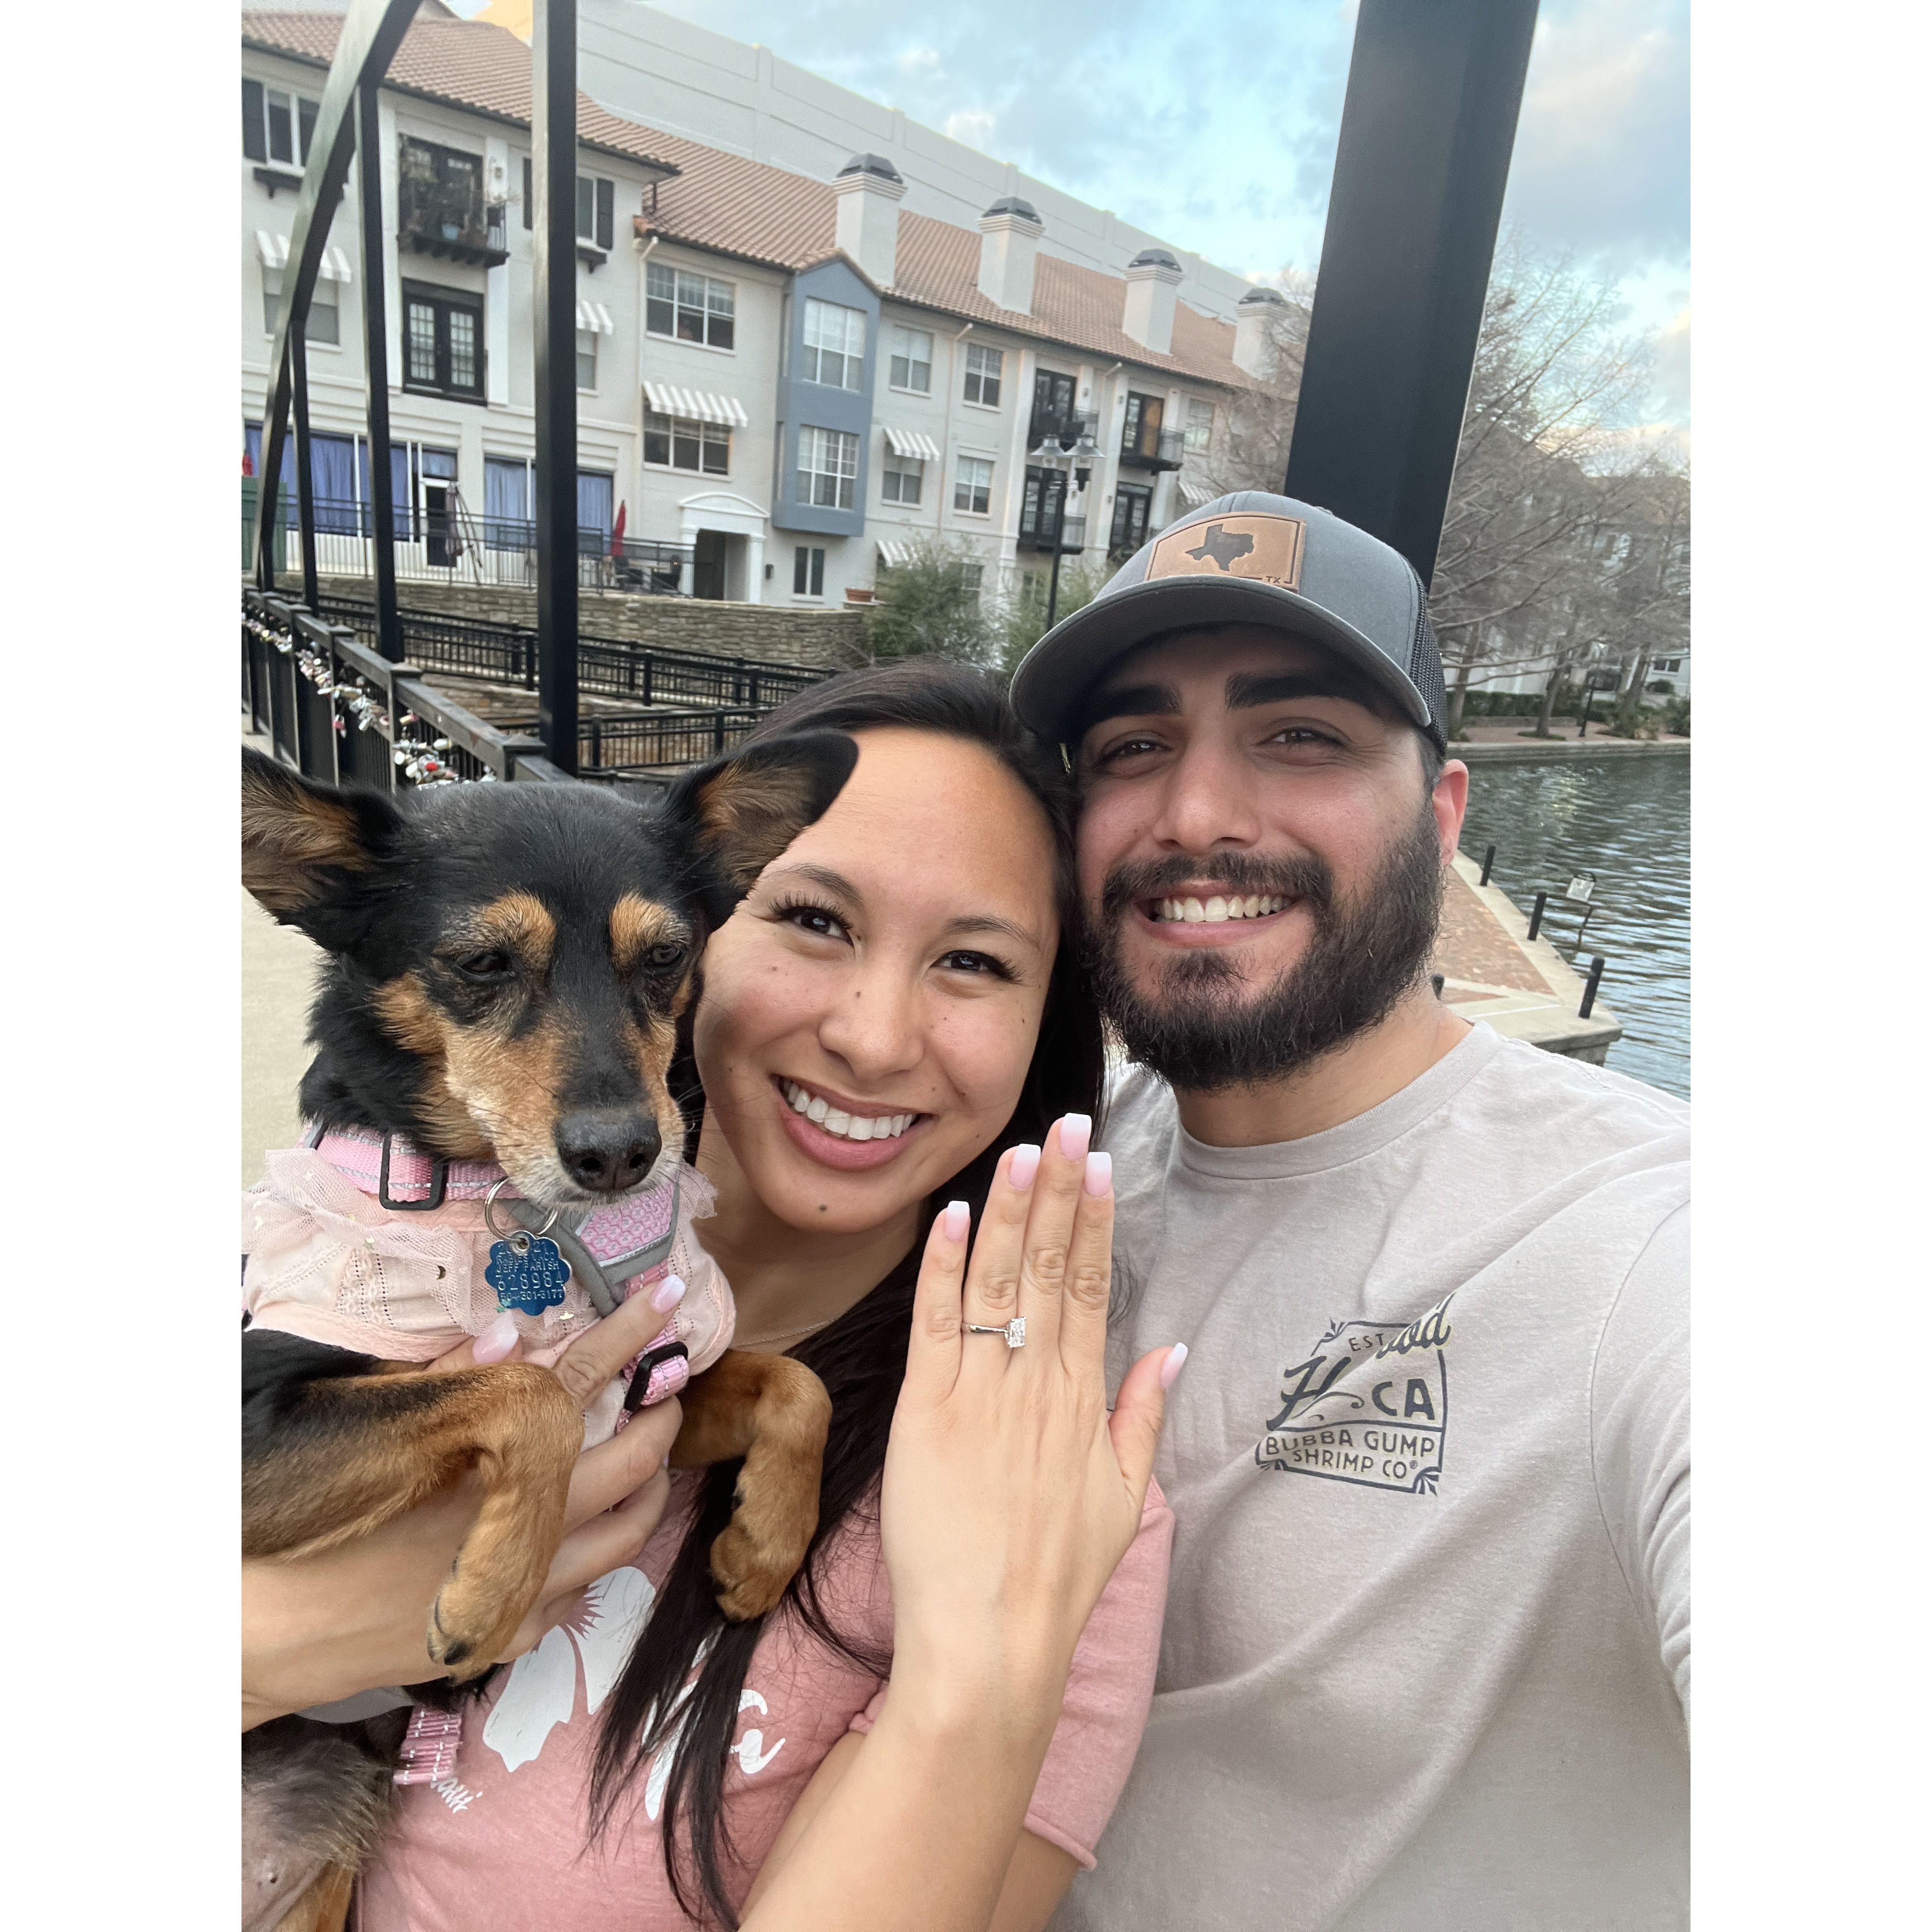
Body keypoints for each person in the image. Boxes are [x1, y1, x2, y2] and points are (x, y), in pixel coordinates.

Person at [241, 661, 1182, 1932]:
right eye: (815, 920)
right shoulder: (349, 1242)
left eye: (971, 960)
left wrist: (978, 1678)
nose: (872, 1036)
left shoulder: (1051, 1502)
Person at [998, 490, 1690, 1931]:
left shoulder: (1646, 1242)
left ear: (1441, 816)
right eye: (1134, 748)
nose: (1194, 816)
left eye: (1299, 735)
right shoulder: (1054, 1179)